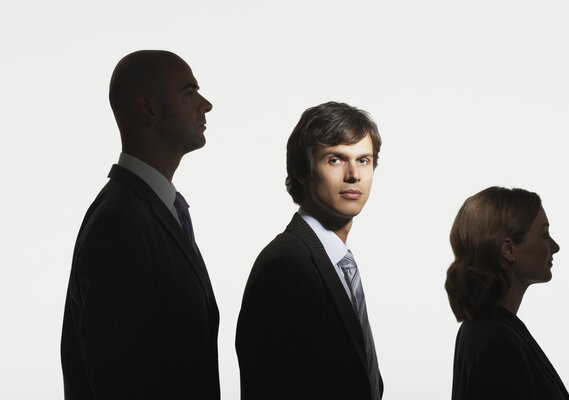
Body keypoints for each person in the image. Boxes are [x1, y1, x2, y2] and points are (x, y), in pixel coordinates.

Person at [60, 50, 220, 399]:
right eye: (189, 92)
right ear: (148, 109)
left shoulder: (153, 211)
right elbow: (120, 381)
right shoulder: (120, 223)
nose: (206, 104)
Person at [236, 101, 384, 400]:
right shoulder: (287, 266)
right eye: (335, 160)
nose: (354, 174)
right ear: (303, 171)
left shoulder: (336, 259)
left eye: (364, 160)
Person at [445, 186, 569, 400]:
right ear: (509, 249)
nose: (555, 246)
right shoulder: (497, 341)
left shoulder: (486, 330)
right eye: (544, 234)